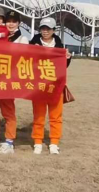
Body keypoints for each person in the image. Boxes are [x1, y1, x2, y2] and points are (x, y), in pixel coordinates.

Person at [0, 9, 29, 154]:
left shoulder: (22, 39)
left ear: (18, 23)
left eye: (14, 22)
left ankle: (9, 141)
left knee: (8, 111)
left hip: (9, 80)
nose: (10, 24)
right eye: (8, 21)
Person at [29, 17, 72, 155]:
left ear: (53, 30)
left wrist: (68, 58)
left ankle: (54, 142)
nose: (45, 31)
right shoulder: (33, 44)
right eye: (43, 28)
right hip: (39, 86)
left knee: (55, 116)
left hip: (55, 86)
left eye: (48, 29)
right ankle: (37, 142)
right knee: (38, 115)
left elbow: (63, 66)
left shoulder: (60, 46)